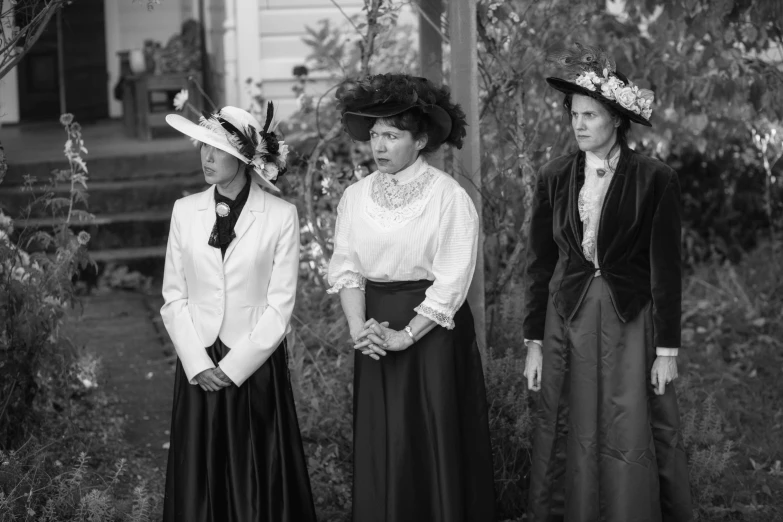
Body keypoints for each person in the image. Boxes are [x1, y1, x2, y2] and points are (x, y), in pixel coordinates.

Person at [521, 43, 693, 521]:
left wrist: (667, 351)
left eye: (591, 115)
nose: (579, 124)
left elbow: (667, 267)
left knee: (628, 423)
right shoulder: (554, 177)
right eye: (575, 114)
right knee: (567, 423)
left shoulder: (655, 178)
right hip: (567, 318)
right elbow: (539, 264)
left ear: (615, 119)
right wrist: (533, 341)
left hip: (628, 318)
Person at [327, 73, 496, 522]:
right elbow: (346, 267)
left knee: (430, 437)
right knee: (384, 439)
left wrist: (406, 335)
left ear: (420, 140)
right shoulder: (355, 196)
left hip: (432, 333)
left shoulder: (448, 197)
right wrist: (359, 329)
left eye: (393, 135)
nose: (379, 145)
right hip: (373, 332)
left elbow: (454, 279)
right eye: (376, 134)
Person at [160, 104, 317, 522]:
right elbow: (173, 297)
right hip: (198, 363)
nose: (206, 158)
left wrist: (234, 368)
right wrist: (197, 363)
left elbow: (280, 305)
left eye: (217, 150)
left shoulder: (281, 217)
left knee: (256, 469)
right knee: (200, 470)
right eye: (203, 147)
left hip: (253, 365)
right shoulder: (184, 210)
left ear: (246, 159)